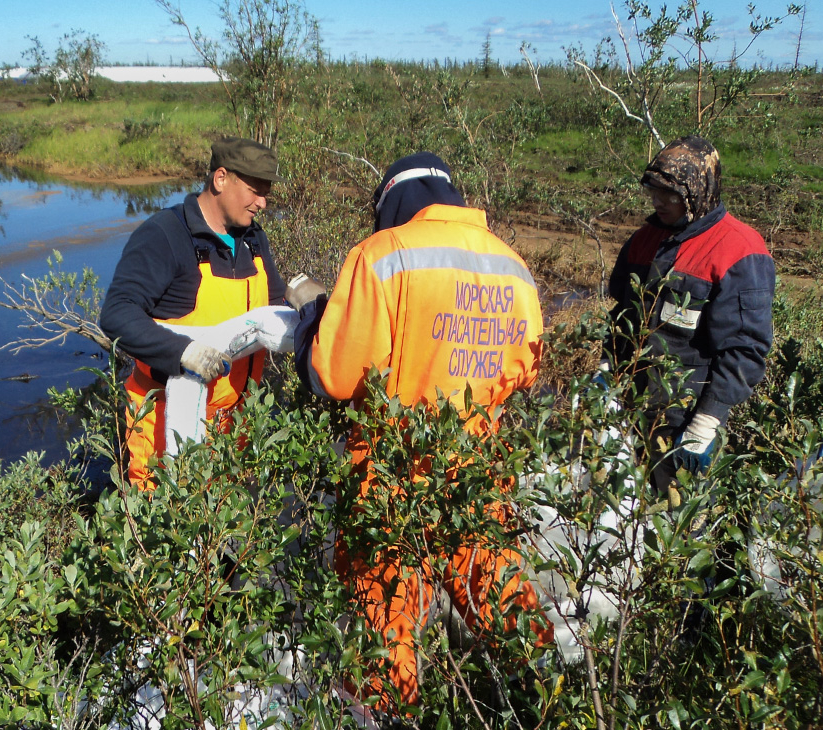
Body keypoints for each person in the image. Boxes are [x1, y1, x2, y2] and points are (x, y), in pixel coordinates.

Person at [289, 152, 549, 708]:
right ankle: (547, 700)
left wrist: (313, 323)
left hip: (390, 478)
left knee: (386, 618)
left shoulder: (382, 256)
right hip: (479, 474)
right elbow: (525, 374)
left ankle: (389, 714)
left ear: (393, 204)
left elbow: (333, 376)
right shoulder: (513, 266)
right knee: (497, 592)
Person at [100, 137, 286, 487]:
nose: (263, 203)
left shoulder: (252, 238)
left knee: (225, 537)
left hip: (234, 433)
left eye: (267, 192)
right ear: (220, 179)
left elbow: (274, 302)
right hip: (165, 430)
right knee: (165, 534)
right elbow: (116, 313)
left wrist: (304, 302)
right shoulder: (164, 236)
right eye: (254, 190)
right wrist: (182, 352)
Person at [602, 135, 775, 490]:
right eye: (654, 191)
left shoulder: (738, 249)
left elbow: (745, 351)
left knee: (678, 530)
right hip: (631, 409)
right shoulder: (645, 239)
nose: (659, 202)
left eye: (671, 194)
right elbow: (621, 314)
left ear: (698, 192)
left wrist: (705, 423)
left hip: (685, 417)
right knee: (622, 517)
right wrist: (605, 374)